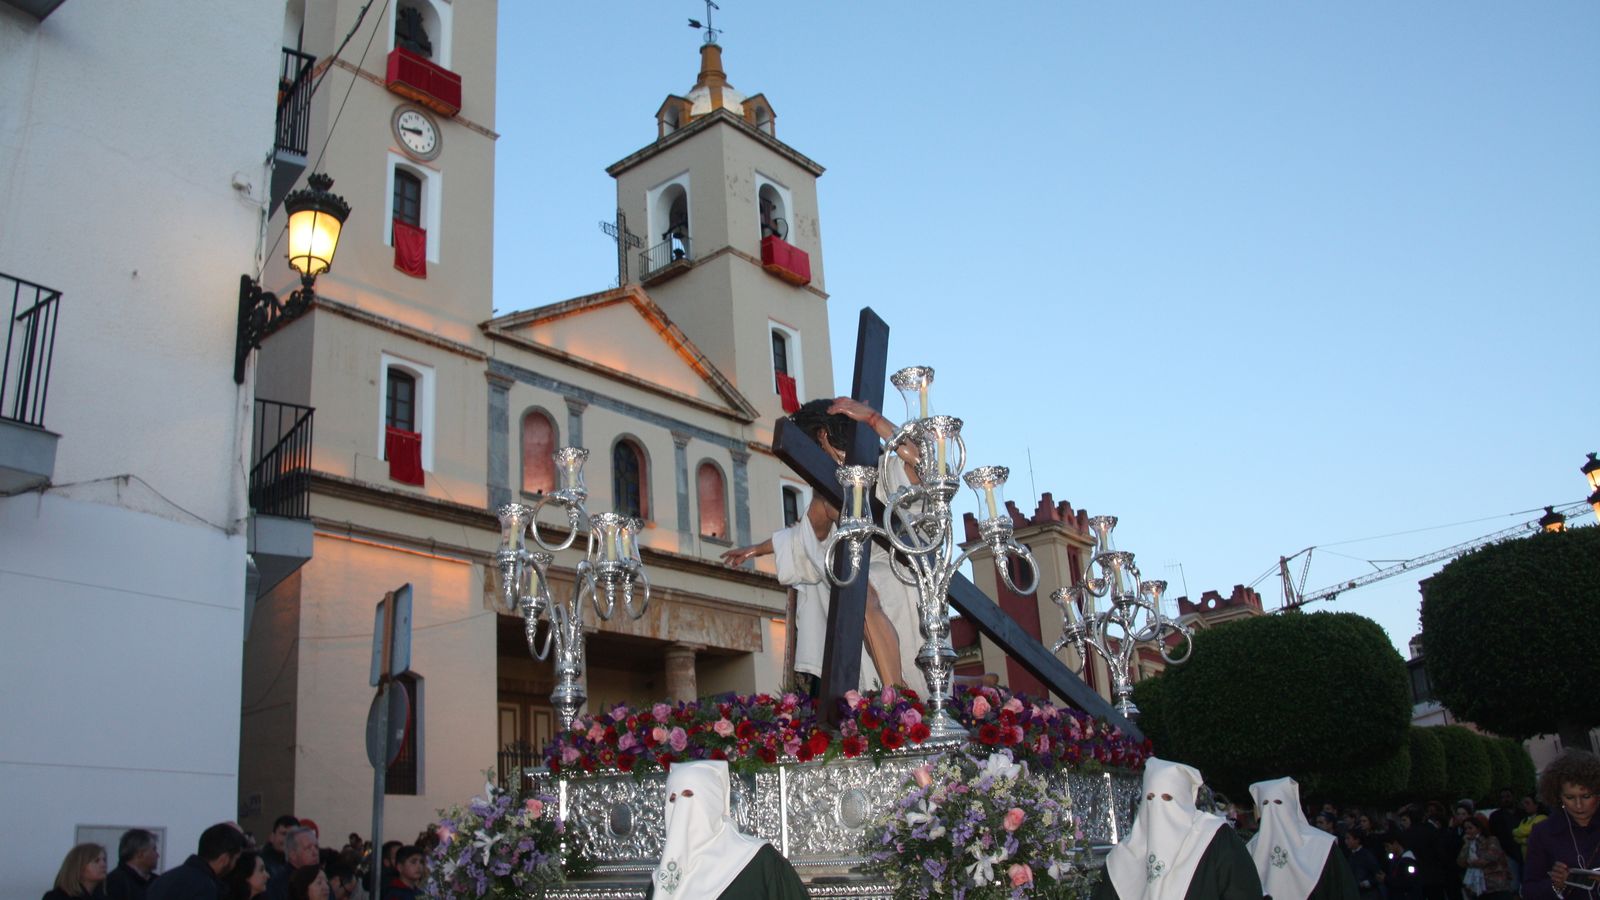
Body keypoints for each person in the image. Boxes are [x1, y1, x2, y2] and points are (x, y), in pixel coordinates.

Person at [721, 398, 924, 692]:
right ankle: (893, 690)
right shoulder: (826, 496)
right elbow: (803, 539)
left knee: (856, 590)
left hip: (901, 568)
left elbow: (923, 463)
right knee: (849, 584)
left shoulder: (883, 471)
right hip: (862, 571)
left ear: (822, 436)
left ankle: (896, 693)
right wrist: (756, 549)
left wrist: (873, 420)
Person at [1094, 758, 1263, 900]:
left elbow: (1243, 891)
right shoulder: (1122, 858)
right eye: (1151, 798)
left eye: (1168, 798)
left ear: (1184, 801)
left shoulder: (1214, 838)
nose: (1159, 808)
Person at [645, 760, 807, 899]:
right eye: (673, 799)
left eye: (688, 796)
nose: (681, 808)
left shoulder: (759, 860)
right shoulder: (663, 879)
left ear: (712, 801)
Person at [1245, 776, 1358, 900]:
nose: (1272, 810)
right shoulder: (1250, 849)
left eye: (1278, 802)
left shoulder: (1322, 845)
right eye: (1265, 804)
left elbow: (1342, 889)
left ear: (1291, 805)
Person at [1524, 749, 1600, 898]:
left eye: (1586, 796)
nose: (1578, 805)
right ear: (1558, 797)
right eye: (1570, 797)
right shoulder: (1543, 833)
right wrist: (1556, 885)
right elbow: (1529, 890)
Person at [147, 824, 246, 900]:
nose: (235, 865)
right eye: (236, 859)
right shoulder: (205, 887)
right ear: (224, 860)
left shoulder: (164, 879)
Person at [1456, 814, 1514, 899]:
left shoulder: (1491, 840)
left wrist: (1470, 862)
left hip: (1496, 885)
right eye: (1465, 829)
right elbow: (1460, 862)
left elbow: (1488, 858)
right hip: (1478, 888)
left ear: (1478, 829)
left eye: (1470, 828)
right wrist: (1466, 845)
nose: (1467, 831)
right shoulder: (1469, 844)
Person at [106, 830, 159, 900]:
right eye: (154, 849)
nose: (157, 855)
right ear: (140, 854)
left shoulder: (158, 882)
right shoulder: (114, 883)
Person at [44, 843, 109, 900]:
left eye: (104, 860)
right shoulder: (57, 897)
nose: (103, 864)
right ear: (78, 866)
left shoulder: (105, 896)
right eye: (96, 861)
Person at [1343, 829, 1383, 899]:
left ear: (1357, 840)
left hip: (1369, 894)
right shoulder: (1349, 855)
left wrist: (1367, 882)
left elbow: (1378, 874)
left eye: (1348, 838)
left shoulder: (1367, 855)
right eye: (1345, 838)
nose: (1346, 841)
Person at [1383, 831, 1424, 900]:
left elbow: (1408, 882)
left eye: (1387, 846)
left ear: (1396, 844)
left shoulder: (1408, 861)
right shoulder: (1396, 860)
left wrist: (1386, 879)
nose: (1386, 849)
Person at [1514, 794, 1548, 859]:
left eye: (1527, 803)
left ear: (1536, 805)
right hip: (1526, 859)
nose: (1524, 805)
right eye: (1523, 803)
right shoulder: (1524, 820)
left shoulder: (1542, 818)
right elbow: (1516, 838)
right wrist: (1525, 840)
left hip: (1539, 858)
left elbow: (1527, 830)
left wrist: (1514, 831)